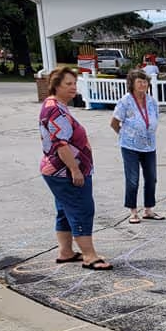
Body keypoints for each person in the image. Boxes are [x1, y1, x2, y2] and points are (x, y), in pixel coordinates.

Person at [39, 66, 112, 271]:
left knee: (65, 210)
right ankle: (89, 256)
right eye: (68, 84)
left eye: (74, 83)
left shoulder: (55, 105)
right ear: (56, 86)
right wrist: (75, 169)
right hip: (63, 171)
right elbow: (60, 144)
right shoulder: (55, 109)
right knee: (81, 209)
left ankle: (66, 252)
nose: (73, 87)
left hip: (57, 170)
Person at [110, 70, 163, 224]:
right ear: (132, 84)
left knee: (151, 178)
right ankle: (133, 211)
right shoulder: (125, 101)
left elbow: (154, 118)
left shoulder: (152, 101)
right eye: (139, 82)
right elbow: (114, 122)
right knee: (133, 179)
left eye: (145, 82)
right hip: (130, 146)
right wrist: (124, 135)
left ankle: (148, 209)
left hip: (149, 145)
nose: (143, 85)